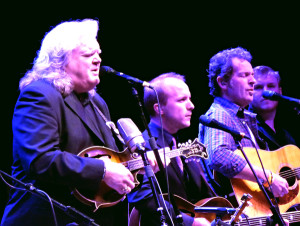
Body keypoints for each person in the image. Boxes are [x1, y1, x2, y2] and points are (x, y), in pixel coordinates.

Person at [0, 18, 155, 226]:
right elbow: (39, 160)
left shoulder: (98, 103)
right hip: (45, 218)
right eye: (88, 54)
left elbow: (110, 162)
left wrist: (138, 167)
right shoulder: (40, 94)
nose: (98, 60)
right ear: (61, 60)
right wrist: (103, 170)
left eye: (99, 53)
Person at [198, 47, 289, 206]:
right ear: (223, 82)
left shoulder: (241, 117)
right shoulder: (219, 114)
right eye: (244, 75)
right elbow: (219, 156)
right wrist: (269, 177)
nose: (253, 81)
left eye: (252, 75)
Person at [128, 73, 220, 226]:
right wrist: (190, 223)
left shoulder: (183, 145)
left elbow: (204, 196)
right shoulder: (142, 146)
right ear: (159, 108)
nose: (191, 105)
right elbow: (143, 198)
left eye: (189, 98)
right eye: (182, 100)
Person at [248, 65, 298, 151]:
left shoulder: (287, 137)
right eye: (258, 87)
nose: (266, 92)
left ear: (280, 91)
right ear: (248, 92)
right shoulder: (244, 127)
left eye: (271, 86)